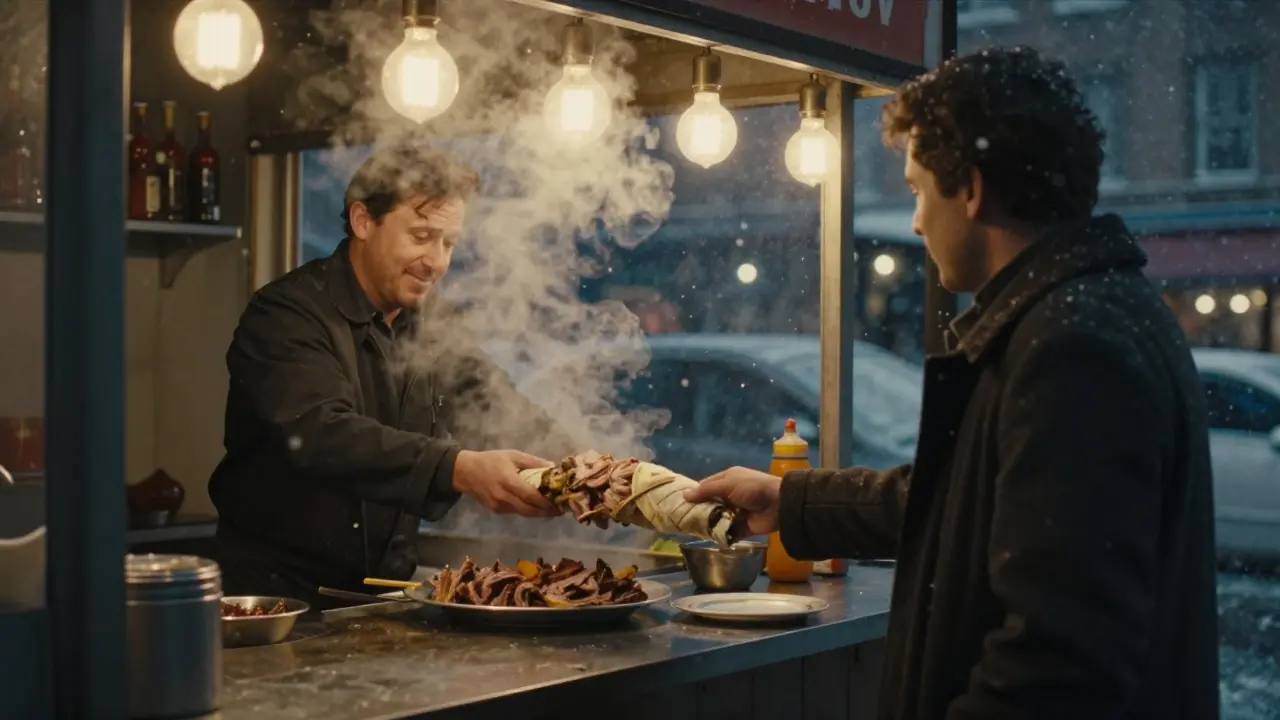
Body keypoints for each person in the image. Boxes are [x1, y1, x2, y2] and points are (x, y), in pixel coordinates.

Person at [687, 47, 1219, 719]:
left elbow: (1056, 666)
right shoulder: (1075, 315)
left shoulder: (1073, 347)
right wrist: (790, 501)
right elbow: (966, 503)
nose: (914, 220)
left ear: (968, 188)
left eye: (916, 189)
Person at [210, 141, 574, 607]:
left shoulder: (433, 325)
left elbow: (493, 404)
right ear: (363, 221)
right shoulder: (287, 314)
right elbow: (320, 433)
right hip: (277, 604)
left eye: (449, 243)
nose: (437, 261)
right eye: (421, 236)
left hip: (382, 602)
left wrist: (595, 469)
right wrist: (458, 467)